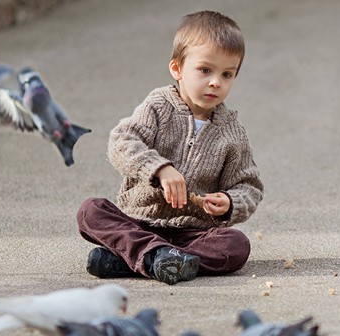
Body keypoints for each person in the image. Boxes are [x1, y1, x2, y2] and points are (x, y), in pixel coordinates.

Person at [76, 10, 264, 285]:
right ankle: (157, 255)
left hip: (193, 233)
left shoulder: (231, 133)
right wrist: (159, 168)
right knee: (90, 210)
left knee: (236, 245)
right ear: (177, 68)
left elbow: (249, 186)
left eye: (227, 74)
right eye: (205, 70)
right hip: (138, 222)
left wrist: (229, 202)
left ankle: (139, 260)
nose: (216, 82)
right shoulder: (158, 107)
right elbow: (121, 141)